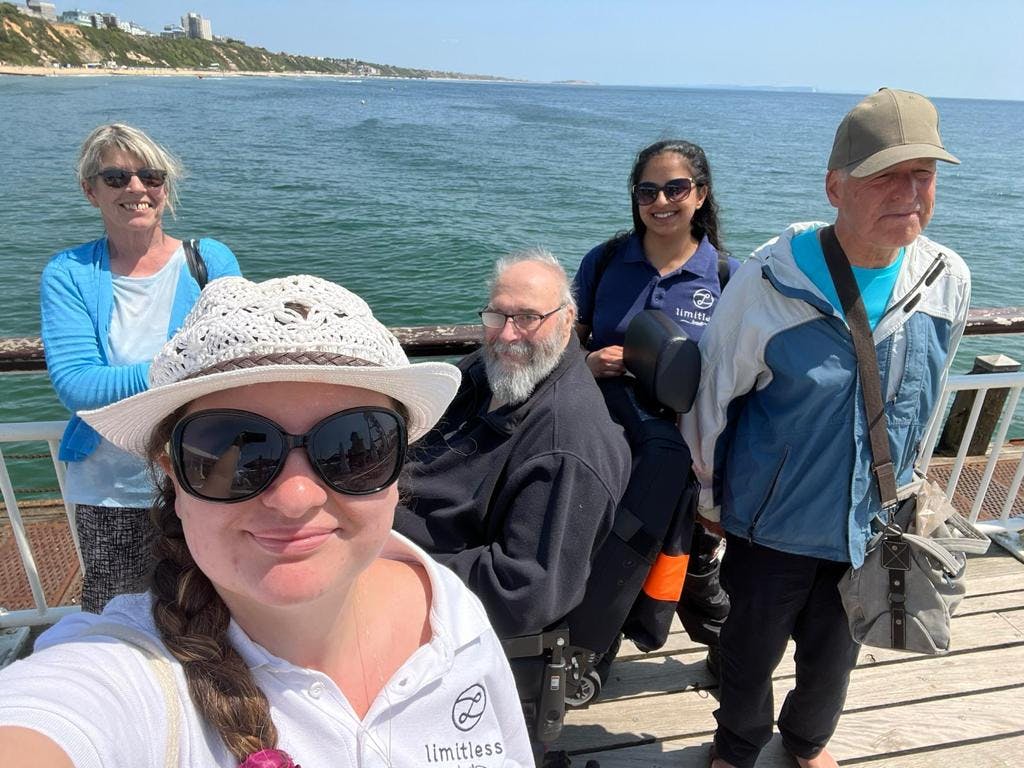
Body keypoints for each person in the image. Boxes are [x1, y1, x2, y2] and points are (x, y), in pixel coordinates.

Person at [0, 274, 534, 767]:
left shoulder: (449, 608)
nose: (296, 497)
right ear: (173, 479)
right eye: (232, 448)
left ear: (396, 468)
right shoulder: (118, 675)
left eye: (355, 445)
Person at [685, 89, 970, 768]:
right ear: (835, 187)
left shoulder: (946, 279)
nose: (909, 192)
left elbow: (927, 396)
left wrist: (905, 483)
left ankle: (808, 742)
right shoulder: (766, 284)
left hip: (870, 520)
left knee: (836, 650)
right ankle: (738, 745)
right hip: (769, 522)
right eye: (886, 175)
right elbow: (712, 400)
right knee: (750, 651)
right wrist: (707, 498)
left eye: (923, 174)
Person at [40, 123, 241, 613]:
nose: (136, 188)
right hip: (111, 489)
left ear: (164, 187)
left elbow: (237, 357)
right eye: (115, 178)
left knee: (217, 607)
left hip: (205, 478)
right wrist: (180, 366)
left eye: (150, 175)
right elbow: (77, 385)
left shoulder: (207, 259)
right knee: (116, 616)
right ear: (90, 190)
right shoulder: (68, 273)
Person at [394, 248, 631, 640]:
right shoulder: (488, 370)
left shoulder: (565, 445)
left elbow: (522, 593)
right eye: (497, 315)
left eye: (527, 318)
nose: (507, 335)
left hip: (419, 598)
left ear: (567, 319)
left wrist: (393, 571)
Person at [573, 139, 738, 670]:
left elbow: (739, 370)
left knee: (688, 566)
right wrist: (588, 364)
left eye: (676, 188)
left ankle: (733, 662)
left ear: (700, 194)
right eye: (647, 190)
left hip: (688, 454)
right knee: (608, 552)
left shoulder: (727, 278)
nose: (660, 200)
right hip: (607, 443)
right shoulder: (604, 262)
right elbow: (562, 341)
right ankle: (590, 658)